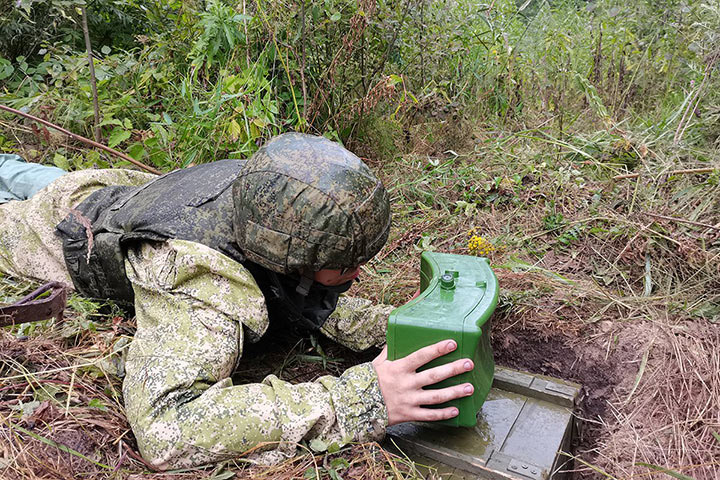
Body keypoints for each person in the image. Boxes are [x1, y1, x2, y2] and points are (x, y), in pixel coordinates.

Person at [0, 133, 476, 469]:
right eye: (346, 261)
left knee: (15, 170)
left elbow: (296, 292)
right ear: (297, 255)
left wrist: (396, 324)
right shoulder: (201, 280)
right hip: (41, 227)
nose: (359, 272)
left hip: (96, 185)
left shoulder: (273, 192)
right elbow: (167, 426)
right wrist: (365, 396)